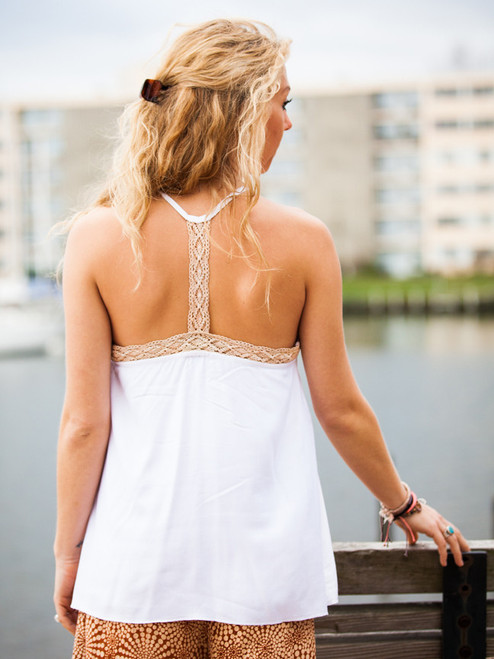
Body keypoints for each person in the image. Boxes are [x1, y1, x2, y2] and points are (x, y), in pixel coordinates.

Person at [54, 18, 469, 659]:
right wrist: (404, 502)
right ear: (244, 111)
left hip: (130, 571)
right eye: (283, 103)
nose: (289, 122)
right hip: (267, 579)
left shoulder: (97, 237)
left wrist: (68, 553)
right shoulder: (305, 241)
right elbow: (342, 410)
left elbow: (84, 424)